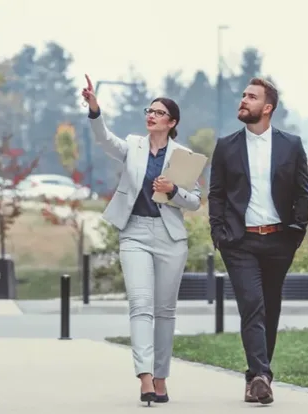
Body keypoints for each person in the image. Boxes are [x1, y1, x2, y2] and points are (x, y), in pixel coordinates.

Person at [81, 74, 202, 406]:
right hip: (133, 232)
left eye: (159, 112)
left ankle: (161, 379)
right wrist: (95, 110)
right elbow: (104, 139)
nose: (151, 115)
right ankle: (145, 378)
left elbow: (194, 201)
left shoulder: (184, 156)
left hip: (169, 237)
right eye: (149, 110)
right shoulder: (132, 145)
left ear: (172, 122)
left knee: (164, 311)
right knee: (140, 305)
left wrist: (172, 191)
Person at [207, 77, 308, 405]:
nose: (243, 100)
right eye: (243, 95)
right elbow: (217, 194)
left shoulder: (290, 145)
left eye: (251, 97)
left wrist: (297, 230)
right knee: (252, 304)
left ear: (267, 108)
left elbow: (302, 191)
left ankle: (255, 379)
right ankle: (264, 375)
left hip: (279, 240)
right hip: (240, 242)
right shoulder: (226, 146)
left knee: (270, 308)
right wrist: (219, 233)